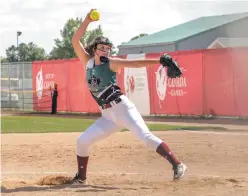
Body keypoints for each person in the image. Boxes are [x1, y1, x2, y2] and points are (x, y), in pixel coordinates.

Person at [71, 9, 187, 185]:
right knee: (82, 142)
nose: (105, 51)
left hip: (122, 108)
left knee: (145, 138)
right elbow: (74, 40)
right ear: (94, 49)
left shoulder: (111, 63)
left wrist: (159, 61)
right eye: (102, 48)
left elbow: (136, 63)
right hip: (108, 116)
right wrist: (87, 20)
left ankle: (178, 165)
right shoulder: (87, 62)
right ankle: (81, 178)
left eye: (108, 49)